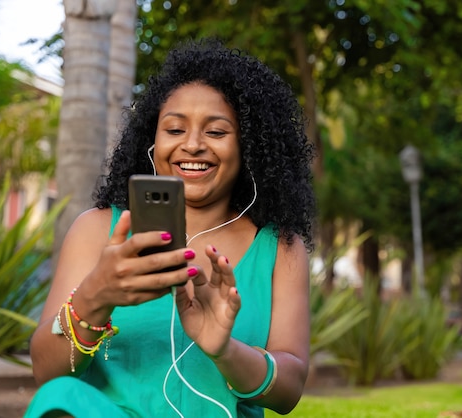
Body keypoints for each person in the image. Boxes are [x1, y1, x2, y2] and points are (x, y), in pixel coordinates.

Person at [24, 37, 315, 418]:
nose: (192, 145)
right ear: (152, 142)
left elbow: (288, 393)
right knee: (58, 397)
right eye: (175, 130)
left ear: (249, 147)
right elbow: (47, 374)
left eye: (216, 132)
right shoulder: (96, 230)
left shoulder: (279, 248)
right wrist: (97, 295)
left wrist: (225, 350)